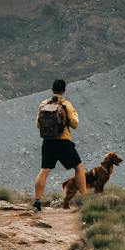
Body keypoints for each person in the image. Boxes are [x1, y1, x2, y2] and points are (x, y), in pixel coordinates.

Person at [33, 78, 85, 212]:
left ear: (52, 90)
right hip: (63, 141)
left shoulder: (43, 103)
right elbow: (74, 124)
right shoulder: (66, 104)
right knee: (79, 167)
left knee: (44, 170)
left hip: (48, 142)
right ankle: (84, 198)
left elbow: (38, 124)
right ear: (64, 90)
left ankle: (37, 201)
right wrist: (75, 116)